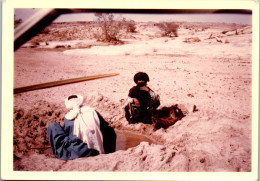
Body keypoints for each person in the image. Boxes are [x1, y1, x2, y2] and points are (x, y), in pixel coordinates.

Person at [47, 94, 116, 160]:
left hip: (77, 152)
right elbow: (104, 126)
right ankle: (108, 151)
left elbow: (68, 135)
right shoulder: (93, 112)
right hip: (95, 149)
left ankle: (60, 152)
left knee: (53, 126)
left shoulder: (68, 117)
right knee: (109, 130)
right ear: (81, 101)